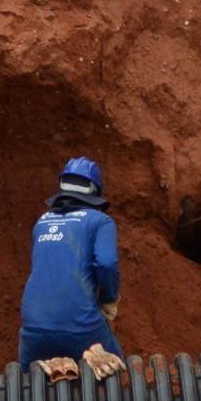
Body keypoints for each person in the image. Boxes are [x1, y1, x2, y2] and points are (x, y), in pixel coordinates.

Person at [18, 156, 122, 377]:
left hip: (32, 327)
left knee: (25, 388)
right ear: (95, 191)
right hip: (81, 325)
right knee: (121, 378)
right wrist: (109, 298)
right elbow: (106, 263)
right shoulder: (100, 221)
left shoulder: (42, 221)